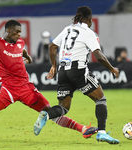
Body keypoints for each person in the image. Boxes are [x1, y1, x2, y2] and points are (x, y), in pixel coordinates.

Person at [0, 6, 98, 146]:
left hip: (26, 89)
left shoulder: (20, 43)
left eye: (20, 32)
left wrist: (28, 57)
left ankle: (83, 129)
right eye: (16, 31)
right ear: (8, 31)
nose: (19, 34)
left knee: (49, 113)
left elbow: (22, 50)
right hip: (8, 90)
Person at [34, 6, 120, 144]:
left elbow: (52, 47)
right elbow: (98, 54)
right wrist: (111, 68)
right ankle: (102, 133)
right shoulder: (88, 32)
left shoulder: (68, 29)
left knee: (63, 107)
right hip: (78, 70)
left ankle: (47, 114)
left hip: (62, 71)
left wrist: (54, 66)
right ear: (90, 20)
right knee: (100, 99)